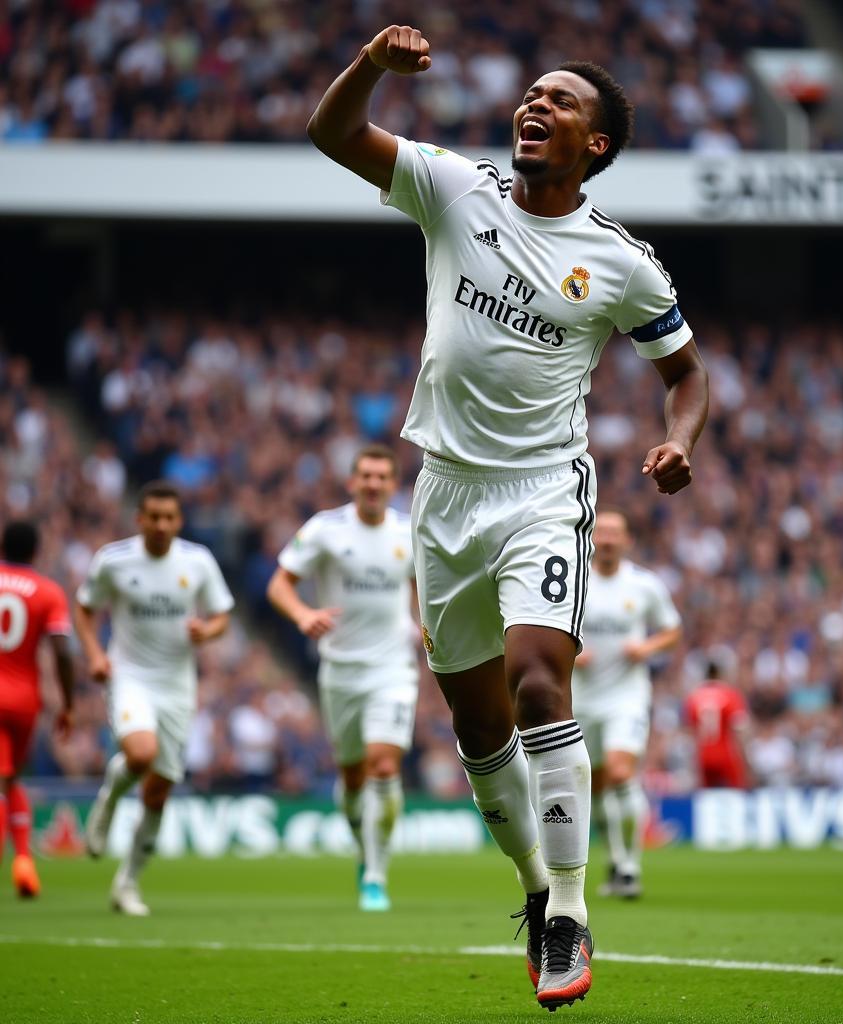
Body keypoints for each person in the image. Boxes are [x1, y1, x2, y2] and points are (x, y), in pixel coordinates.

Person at [307, 24, 708, 1011]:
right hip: (442, 495)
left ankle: (569, 908)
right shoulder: (455, 187)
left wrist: (678, 437)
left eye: (561, 101)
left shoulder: (620, 262)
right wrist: (369, 64)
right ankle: (535, 884)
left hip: (542, 489)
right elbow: (330, 133)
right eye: (531, 93)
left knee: (537, 682)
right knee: (478, 724)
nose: (536, 104)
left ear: (596, 145)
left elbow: (685, 374)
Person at [267, 445, 417, 912]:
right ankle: (363, 845)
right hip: (340, 670)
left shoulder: (409, 532)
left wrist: (424, 624)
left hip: (393, 668)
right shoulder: (325, 530)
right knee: (352, 778)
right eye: (365, 476)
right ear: (352, 482)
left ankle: (375, 874)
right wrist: (302, 613)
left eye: (382, 477)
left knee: (384, 765)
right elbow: (279, 583)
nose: (373, 483)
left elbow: (430, 586)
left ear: (393, 485)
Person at [75, 481, 234, 914]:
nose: (162, 525)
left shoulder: (197, 562)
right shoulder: (114, 560)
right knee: (141, 754)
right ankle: (110, 798)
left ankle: (127, 883)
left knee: (159, 790)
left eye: (170, 518)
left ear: (178, 521)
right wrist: (93, 653)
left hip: (178, 685)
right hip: (130, 677)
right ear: (140, 519)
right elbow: (85, 608)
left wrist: (208, 630)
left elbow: (222, 615)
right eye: (154, 517)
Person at [571, 509, 681, 899]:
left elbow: (672, 629)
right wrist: (571, 651)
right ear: (591, 536)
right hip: (581, 698)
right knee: (594, 786)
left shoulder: (643, 585)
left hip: (626, 696)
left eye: (616, 533)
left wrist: (645, 647)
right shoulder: (573, 578)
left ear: (627, 540)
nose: (609, 540)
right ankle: (616, 861)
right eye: (602, 532)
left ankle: (631, 866)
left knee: (621, 774)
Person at [0, 521, 74, 898]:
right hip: (25, 701)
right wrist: (68, 704)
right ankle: (25, 859)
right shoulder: (49, 592)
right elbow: (62, 652)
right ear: (35, 551)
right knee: (11, 779)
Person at [683, 660, 750, 790]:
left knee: (706, 797)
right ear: (720, 674)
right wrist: (745, 758)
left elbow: (689, 730)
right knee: (737, 792)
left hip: (703, 754)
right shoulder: (730, 694)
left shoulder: (694, 697)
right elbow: (739, 728)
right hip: (725, 753)